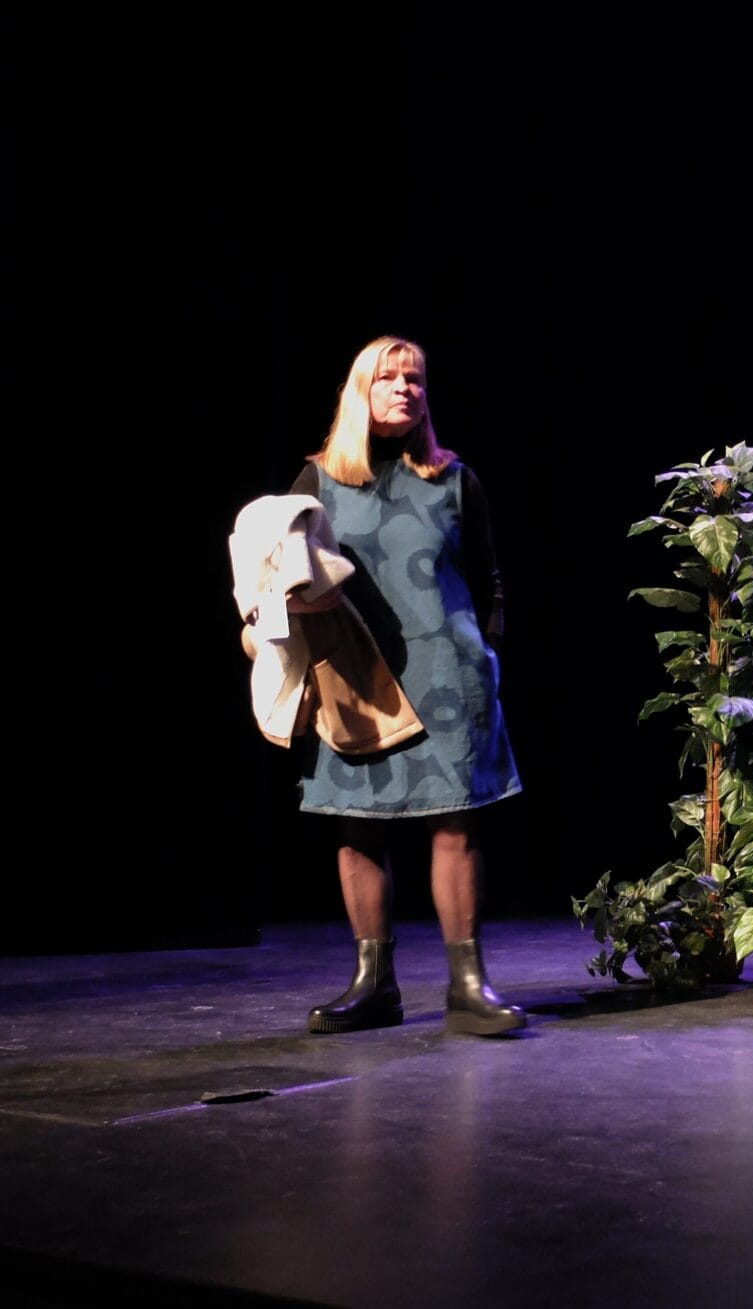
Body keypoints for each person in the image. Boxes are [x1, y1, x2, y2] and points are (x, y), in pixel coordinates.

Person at [286, 335, 525, 1037]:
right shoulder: (318, 482)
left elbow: (489, 579)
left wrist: (486, 654)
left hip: (447, 674)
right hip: (355, 680)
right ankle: (373, 984)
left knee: (455, 823)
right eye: (388, 378)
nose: (404, 389)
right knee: (357, 824)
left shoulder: (454, 480)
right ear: (358, 392)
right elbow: (278, 574)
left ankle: (468, 986)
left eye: (415, 379)